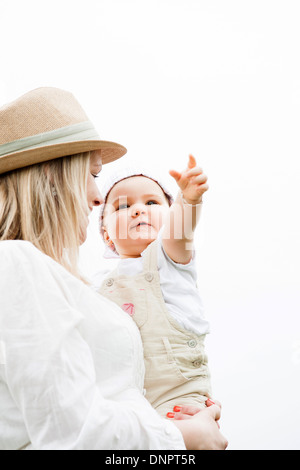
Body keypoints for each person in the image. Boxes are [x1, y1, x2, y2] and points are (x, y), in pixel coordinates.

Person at [0, 87, 228, 450]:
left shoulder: (54, 278)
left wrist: (188, 201)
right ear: (51, 179)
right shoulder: (18, 264)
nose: (96, 196)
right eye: (91, 176)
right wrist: (185, 437)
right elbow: (71, 432)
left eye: (153, 202)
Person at [96, 157, 212, 418]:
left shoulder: (169, 260)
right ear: (106, 235)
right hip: (124, 402)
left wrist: (189, 200)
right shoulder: (98, 285)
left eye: (151, 202)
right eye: (123, 206)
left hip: (179, 397)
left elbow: (179, 232)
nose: (138, 210)